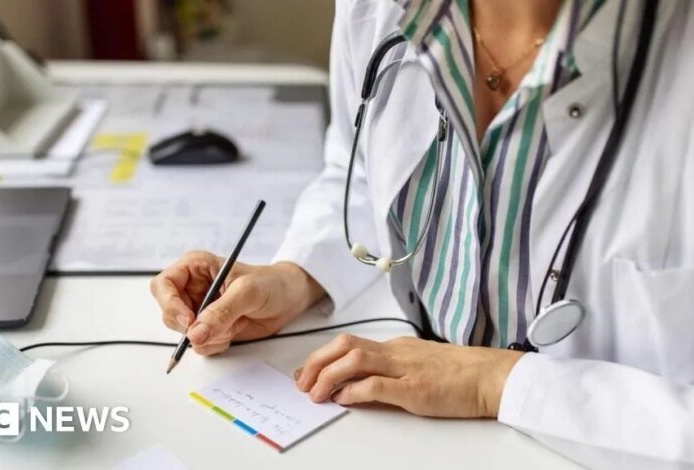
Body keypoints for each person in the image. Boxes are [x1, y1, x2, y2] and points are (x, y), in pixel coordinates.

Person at [151, 0, 694, 467]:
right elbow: (358, 168)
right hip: (404, 440)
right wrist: (300, 274)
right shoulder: (381, 8)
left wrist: (498, 383)